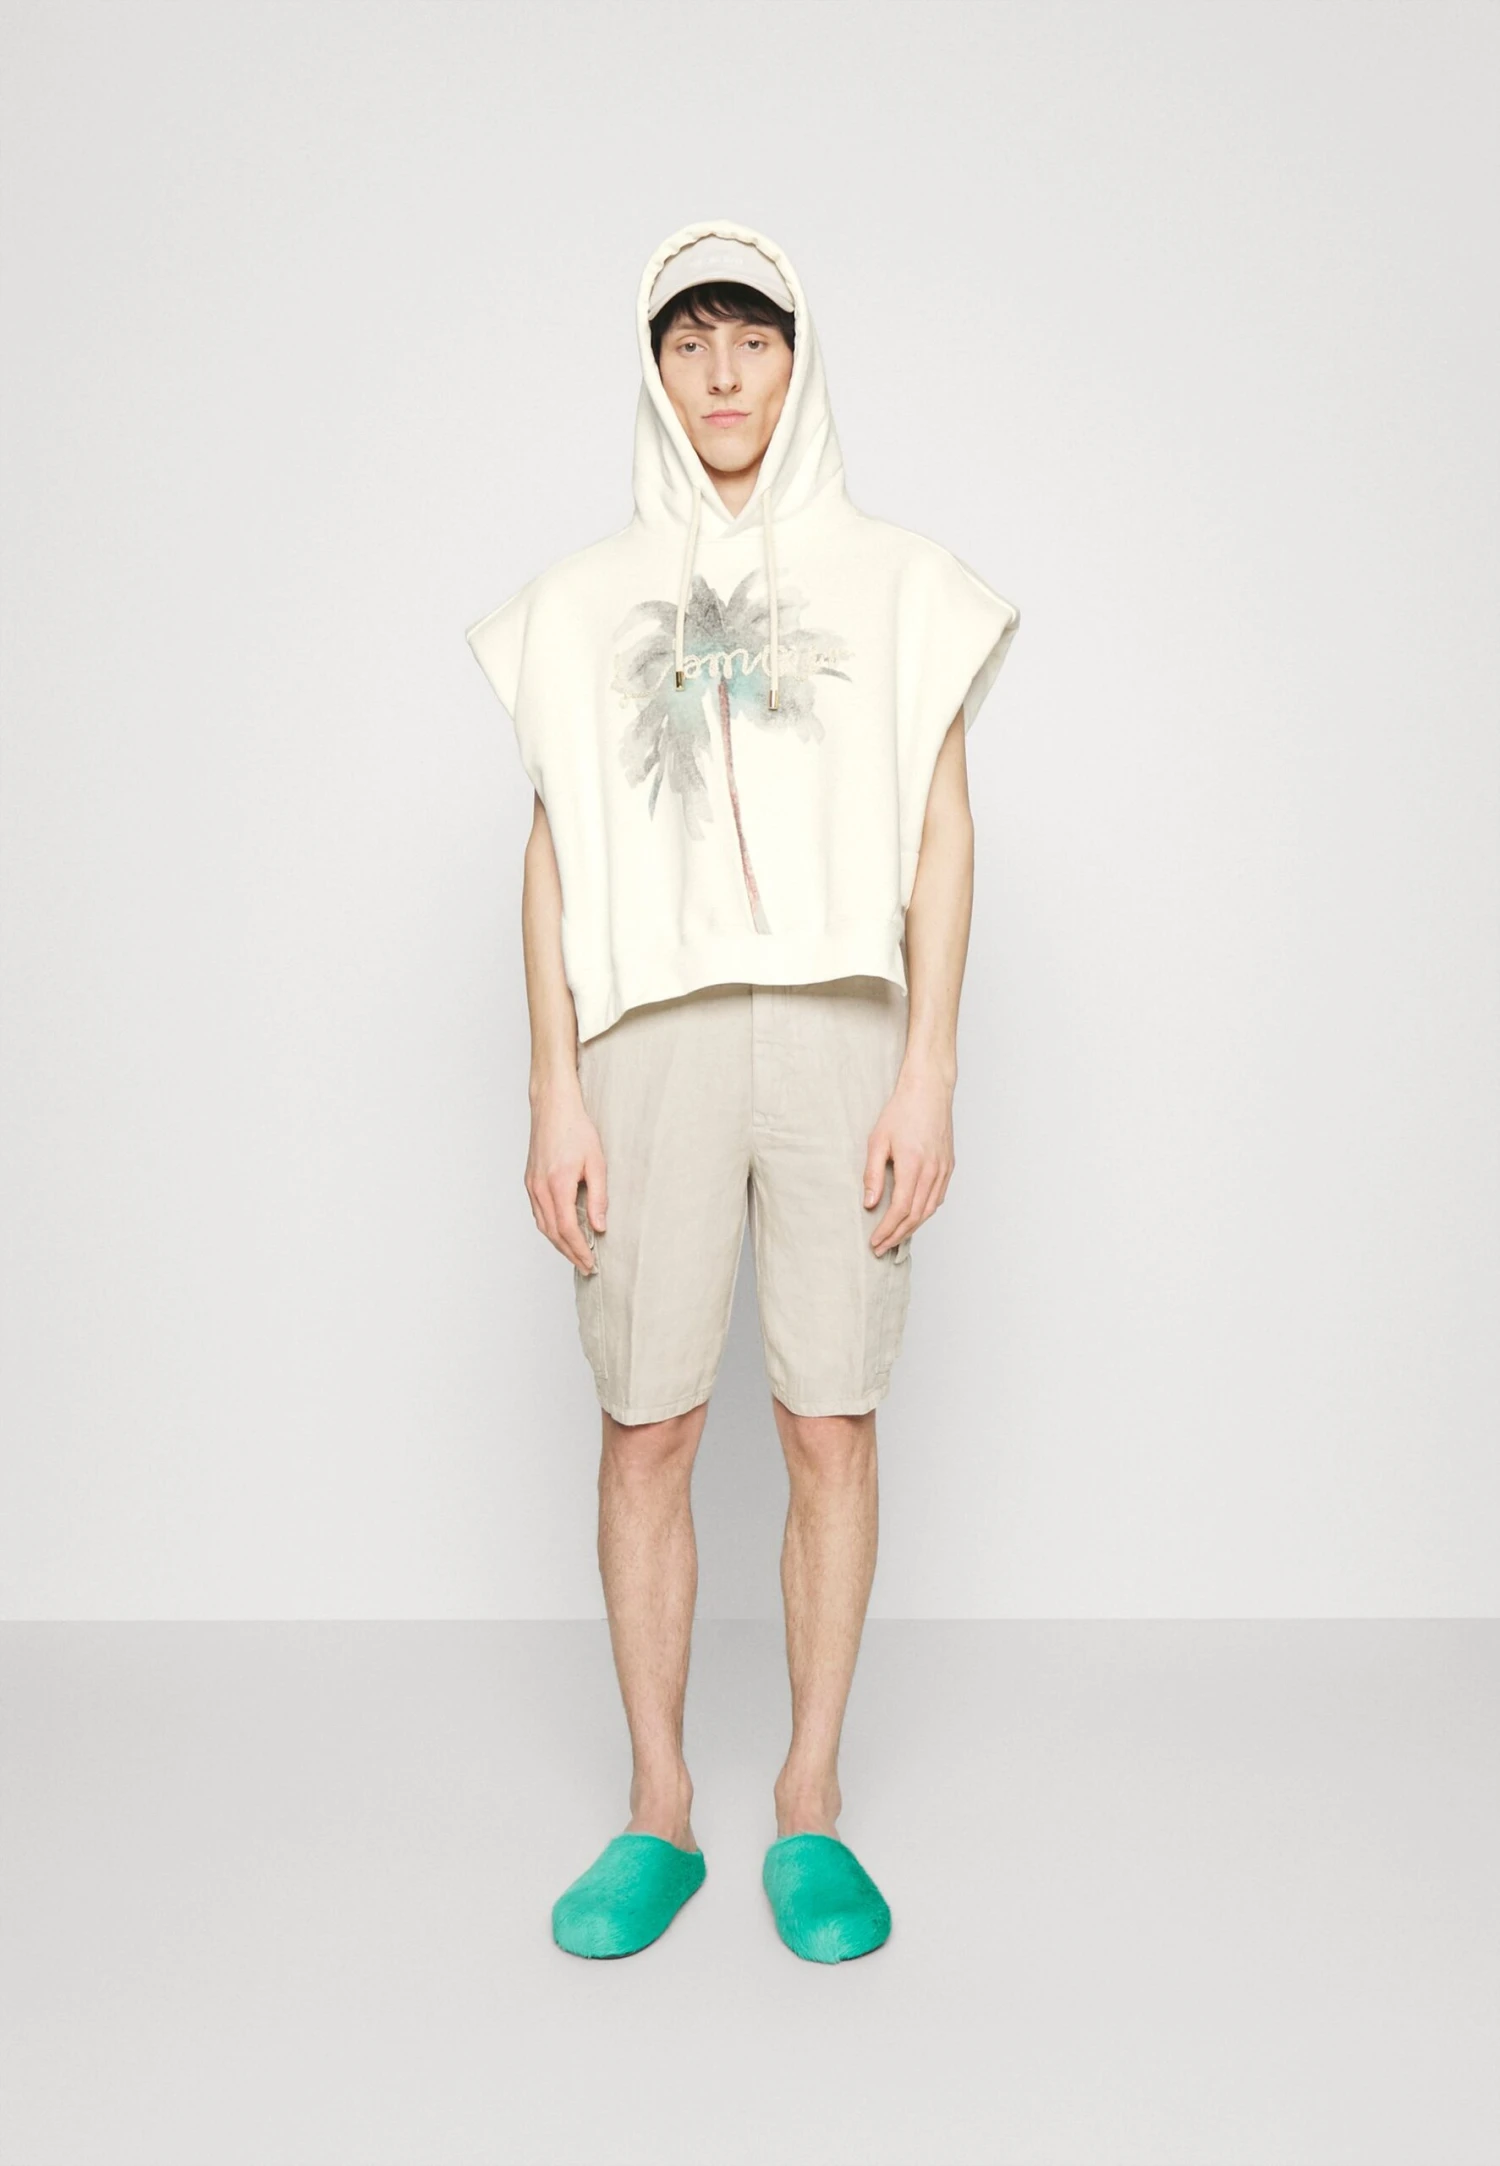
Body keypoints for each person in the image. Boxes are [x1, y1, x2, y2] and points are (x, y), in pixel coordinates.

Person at [465, 220, 1020, 1963]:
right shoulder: (581, 600)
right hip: (650, 1036)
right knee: (647, 1422)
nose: (721, 373)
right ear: (654, 368)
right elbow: (552, 849)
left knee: (830, 1416)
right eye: (689, 340)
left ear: (798, 359)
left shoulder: (899, 579)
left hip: (844, 1026)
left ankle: (810, 1800)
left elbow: (943, 827)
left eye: (752, 339)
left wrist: (930, 1062)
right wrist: (553, 1085)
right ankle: (658, 1804)